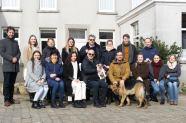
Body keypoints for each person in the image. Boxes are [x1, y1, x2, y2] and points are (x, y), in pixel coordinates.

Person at [0, 26, 21, 106]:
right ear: (7, 33)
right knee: (6, 83)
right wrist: (11, 58)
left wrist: (17, 58)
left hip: (15, 66)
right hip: (7, 66)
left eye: (12, 32)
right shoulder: (2, 41)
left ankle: (11, 98)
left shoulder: (16, 42)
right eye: (10, 32)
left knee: (12, 83)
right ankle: (6, 99)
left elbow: (19, 52)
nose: (11, 34)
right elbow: (2, 52)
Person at [41, 37, 60, 103]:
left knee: (54, 82)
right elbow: (43, 58)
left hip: (54, 67)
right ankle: (49, 97)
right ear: (47, 43)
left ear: (54, 43)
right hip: (47, 67)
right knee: (48, 82)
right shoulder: (45, 49)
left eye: (52, 42)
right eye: (50, 42)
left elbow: (59, 58)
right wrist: (45, 65)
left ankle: (53, 96)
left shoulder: (56, 50)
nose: (51, 43)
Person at [23, 35, 40, 102]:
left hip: (36, 68)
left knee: (35, 82)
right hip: (29, 67)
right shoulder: (26, 48)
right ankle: (31, 97)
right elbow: (25, 58)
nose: (33, 40)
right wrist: (29, 67)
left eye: (34, 39)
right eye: (32, 39)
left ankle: (35, 96)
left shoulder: (37, 48)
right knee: (29, 82)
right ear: (29, 40)